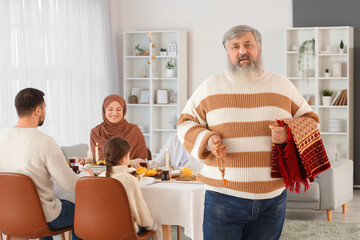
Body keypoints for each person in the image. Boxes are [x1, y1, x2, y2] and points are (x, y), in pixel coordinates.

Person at [177, 25, 320, 240]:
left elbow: (312, 122)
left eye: (248, 44)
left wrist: (289, 133)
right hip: (223, 198)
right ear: (227, 52)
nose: (242, 51)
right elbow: (185, 123)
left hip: (273, 200)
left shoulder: (282, 85)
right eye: (235, 46)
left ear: (259, 49)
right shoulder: (210, 87)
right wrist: (207, 141)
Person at [0, 88, 93, 240]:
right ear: (38, 110)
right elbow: (70, 185)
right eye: (44, 108)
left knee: (50, 204)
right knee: (86, 212)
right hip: (42, 218)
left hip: (7, 216)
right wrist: (86, 174)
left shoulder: (2, 137)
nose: (44, 112)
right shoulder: (45, 142)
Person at [99, 137, 155, 234]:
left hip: (99, 230)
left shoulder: (99, 178)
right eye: (129, 156)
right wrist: (151, 224)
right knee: (148, 228)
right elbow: (141, 215)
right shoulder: (129, 180)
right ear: (124, 159)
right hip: (124, 232)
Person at [77, 94, 148, 165]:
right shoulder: (96, 132)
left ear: (123, 111)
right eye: (110, 109)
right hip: (101, 174)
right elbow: (92, 159)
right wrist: (84, 161)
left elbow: (141, 161)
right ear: (104, 110)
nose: (114, 113)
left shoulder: (134, 131)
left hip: (127, 173)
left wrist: (118, 164)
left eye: (119, 109)